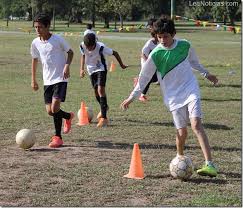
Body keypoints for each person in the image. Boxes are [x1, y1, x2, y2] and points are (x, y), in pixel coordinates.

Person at [121, 18, 219, 177]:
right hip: (173, 96)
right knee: (182, 133)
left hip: (190, 89)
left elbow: (194, 62)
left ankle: (210, 164)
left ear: (173, 34)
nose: (162, 40)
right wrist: (132, 97)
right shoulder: (156, 54)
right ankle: (180, 156)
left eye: (165, 36)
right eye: (159, 37)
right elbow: (144, 77)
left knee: (196, 125)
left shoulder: (185, 45)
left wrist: (207, 74)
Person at [30, 13, 74, 148]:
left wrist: (67, 66)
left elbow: (70, 52)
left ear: (48, 26)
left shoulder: (57, 40)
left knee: (55, 108)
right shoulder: (35, 42)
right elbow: (34, 60)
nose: (37, 30)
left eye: (40, 27)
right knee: (50, 111)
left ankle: (57, 137)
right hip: (47, 80)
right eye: (36, 27)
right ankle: (67, 116)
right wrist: (33, 79)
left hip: (61, 78)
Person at [79, 33, 127, 127]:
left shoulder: (101, 47)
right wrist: (81, 69)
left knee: (101, 90)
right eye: (87, 47)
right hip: (91, 70)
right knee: (96, 92)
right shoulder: (82, 45)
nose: (88, 49)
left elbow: (115, 53)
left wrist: (121, 64)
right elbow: (83, 55)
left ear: (95, 43)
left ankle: (104, 118)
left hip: (101, 68)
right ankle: (105, 107)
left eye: (91, 47)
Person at [139, 19, 159, 102]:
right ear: (154, 36)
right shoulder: (150, 43)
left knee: (155, 78)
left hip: (153, 62)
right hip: (146, 62)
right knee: (149, 78)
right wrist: (148, 63)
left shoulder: (159, 43)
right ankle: (142, 95)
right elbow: (143, 54)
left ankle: (138, 80)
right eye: (158, 35)